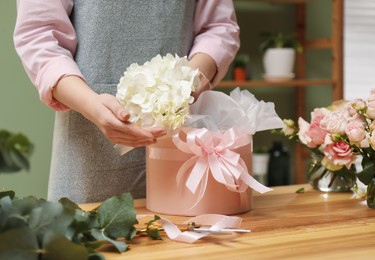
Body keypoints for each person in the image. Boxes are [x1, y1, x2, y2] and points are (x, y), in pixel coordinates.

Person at [13, 0, 240, 203]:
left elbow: (219, 27)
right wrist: (91, 104)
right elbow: (39, 34)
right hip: (90, 152)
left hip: (182, 145)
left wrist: (187, 80)